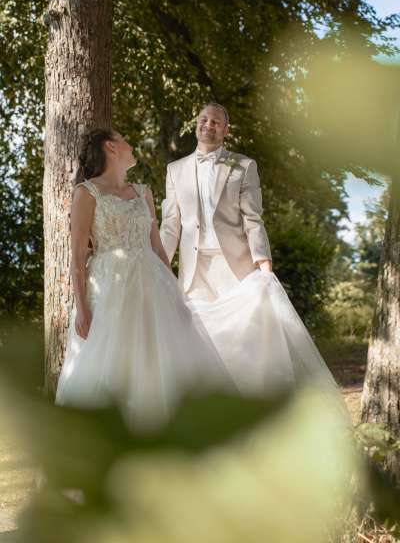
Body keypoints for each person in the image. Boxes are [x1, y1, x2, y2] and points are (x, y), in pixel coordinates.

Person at [160, 103, 344, 401]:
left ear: (226, 130)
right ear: (196, 124)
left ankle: (249, 404)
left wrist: (264, 265)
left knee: (242, 340)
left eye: (216, 122)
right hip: (194, 271)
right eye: (204, 119)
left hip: (235, 267)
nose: (208, 125)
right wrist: (158, 264)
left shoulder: (244, 166)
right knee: (199, 338)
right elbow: (170, 225)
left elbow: (252, 218)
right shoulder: (175, 170)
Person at [55, 128, 232, 431]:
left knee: (158, 355)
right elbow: (77, 256)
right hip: (109, 288)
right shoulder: (86, 193)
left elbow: (158, 248)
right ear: (111, 147)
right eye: (124, 140)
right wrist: (82, 309)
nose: (131, 145)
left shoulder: (143, 192)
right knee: (114, 359)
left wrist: (177, 295)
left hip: (152, 285)